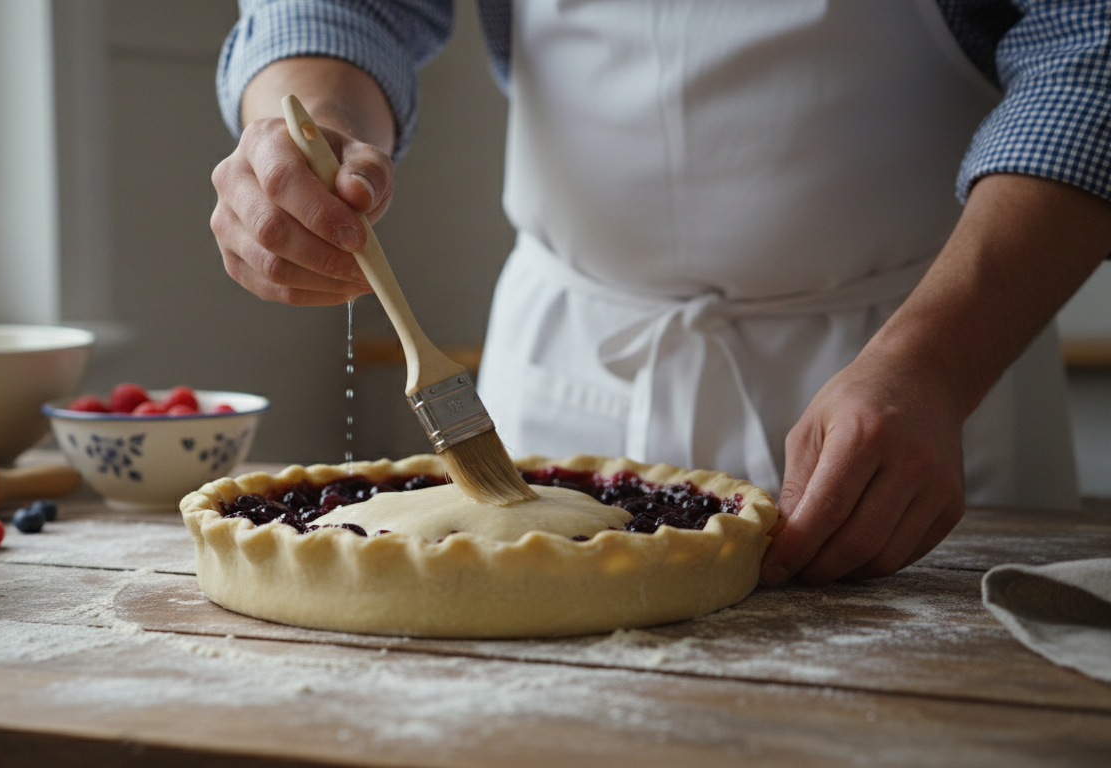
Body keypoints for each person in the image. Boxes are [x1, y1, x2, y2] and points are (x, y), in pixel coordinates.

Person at [209, 1, 1111, 586]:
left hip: (924, 368)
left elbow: (1094, 49)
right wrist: (307, 128)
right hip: (574, 365)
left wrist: (938, 364)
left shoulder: (935, 364)